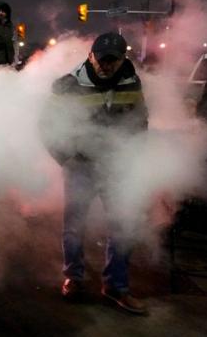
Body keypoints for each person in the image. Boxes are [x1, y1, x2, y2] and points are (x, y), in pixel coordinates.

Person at [45, 32, 148, 314]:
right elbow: (47, 126)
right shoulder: (69, 85)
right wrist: (66, 159)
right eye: (101, 59)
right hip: (81, 167)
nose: (106, 65)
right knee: (75, 226)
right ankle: (74, 278)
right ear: (90, 56)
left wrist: (133, 156)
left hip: (116, 167)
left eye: (113, 61)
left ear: (123, 59)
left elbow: (140, 121)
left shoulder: (132, 82)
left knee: (123, 225)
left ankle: (116, 287)